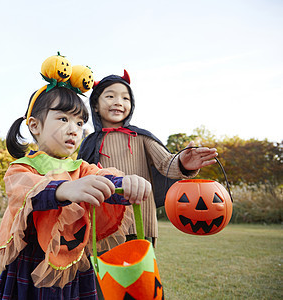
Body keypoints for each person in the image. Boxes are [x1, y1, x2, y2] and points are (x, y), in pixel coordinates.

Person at [0, 81, 152, 299]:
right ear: (34, 125)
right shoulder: (22, 167)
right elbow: (26, 190)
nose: (73, 130)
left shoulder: (81, 168)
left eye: (79, 123)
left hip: (75, 262)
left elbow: (104, 178)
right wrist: (65, 189)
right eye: (63, 119)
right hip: (32, 263)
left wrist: (127, 184)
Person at [78, 70, 218, 246]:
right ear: (95, 105)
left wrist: (183, 162)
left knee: (142, 273)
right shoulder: (88, 143)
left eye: (125, 98)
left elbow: (166, 163)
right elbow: (81, 179)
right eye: (110, 96)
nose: (118, 102)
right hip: (103, 225)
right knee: (104, 274)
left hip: (141, 222)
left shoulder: (141, 137)